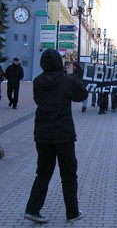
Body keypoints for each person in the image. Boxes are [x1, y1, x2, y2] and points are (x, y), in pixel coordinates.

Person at [24, 49, 88, 224]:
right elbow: (82, 95)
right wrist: (71, 76)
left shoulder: (37, 81)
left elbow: (39, 100)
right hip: (63, 134)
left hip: (42, 133)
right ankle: (72, 212)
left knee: (43, 172)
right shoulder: (67, 81)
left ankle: (32, 209)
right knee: (68, 174)